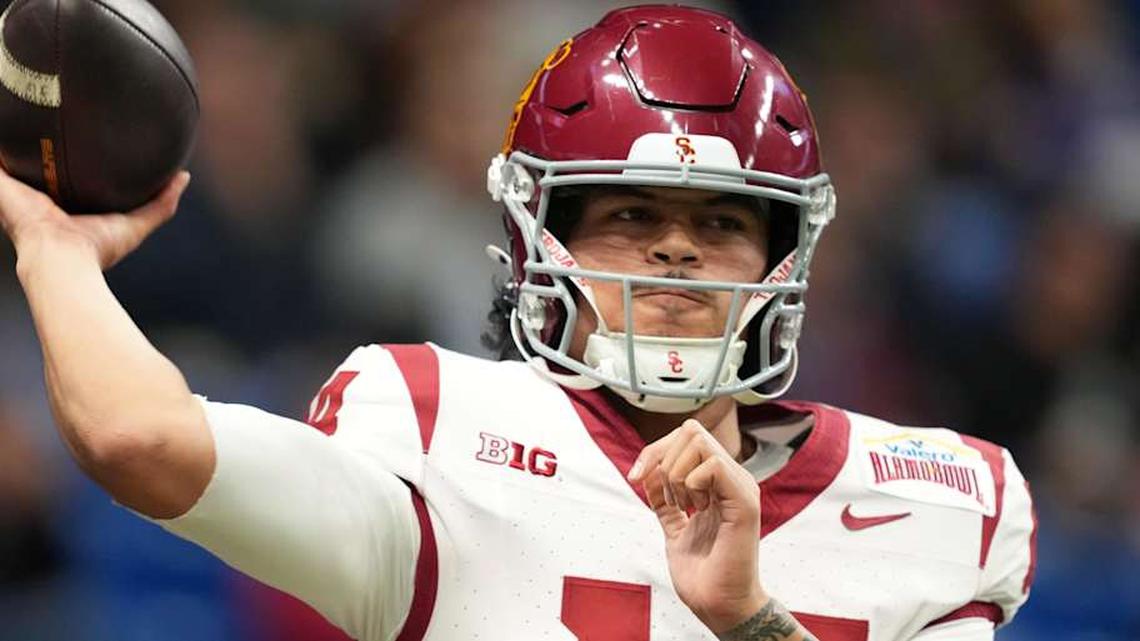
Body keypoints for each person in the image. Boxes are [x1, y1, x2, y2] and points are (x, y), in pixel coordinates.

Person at [0, 5, 1035, 641]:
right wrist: (53, 247)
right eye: (630, 215)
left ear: (784, 255)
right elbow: (137, 435)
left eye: (721, 221)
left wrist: (750, 621)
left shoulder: (935, 496)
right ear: (544, 242)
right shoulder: (437, 427)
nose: (676, 250)